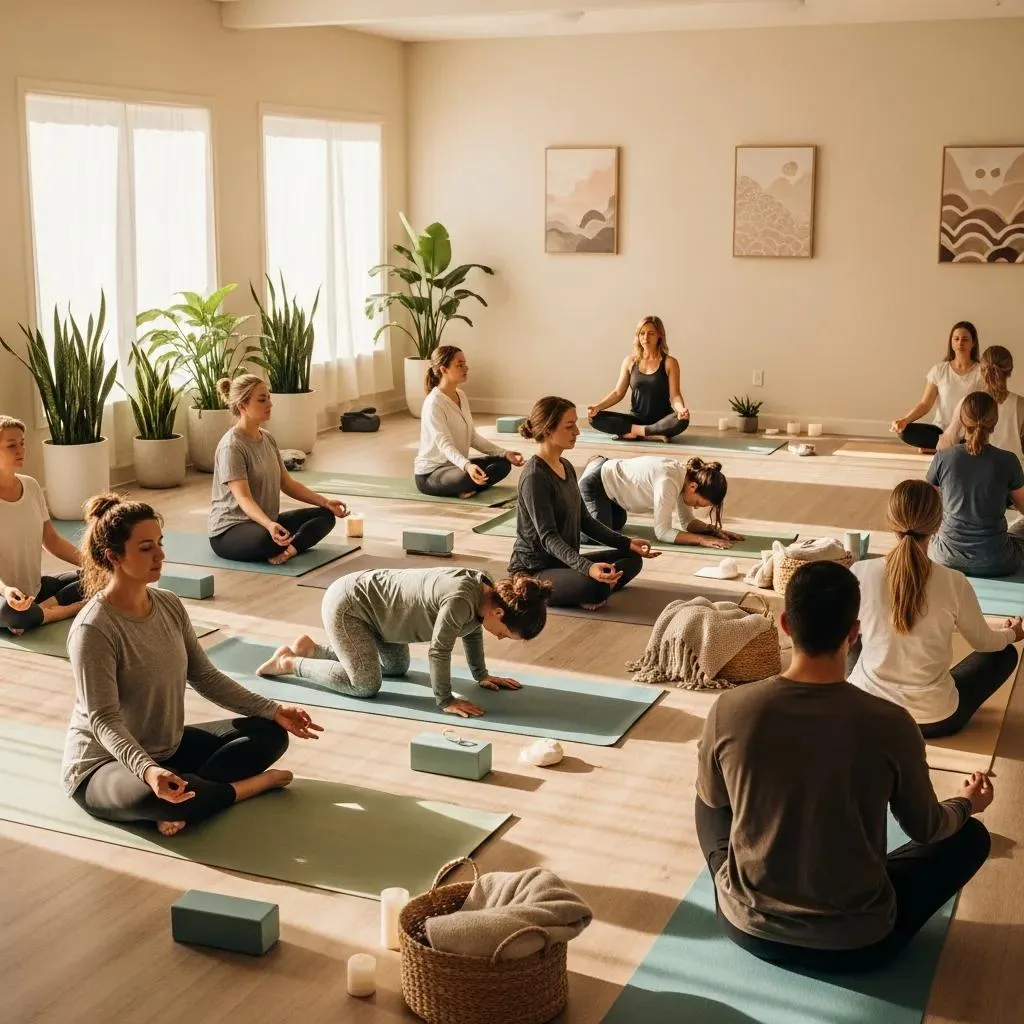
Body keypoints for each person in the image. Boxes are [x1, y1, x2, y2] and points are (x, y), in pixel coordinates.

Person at [696, 560, 993, 972]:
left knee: (707, 799)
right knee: (970, 836)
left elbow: (716, 801)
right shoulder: (892, 723)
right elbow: (926, 828)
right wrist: (966, 803)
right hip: (859, 944)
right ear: (854, 633)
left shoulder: (730, 708)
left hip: (748, 927)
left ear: (785, 624)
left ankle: (740, 886)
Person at [64, 494, 323, 837]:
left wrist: (273, 710)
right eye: (146, 548)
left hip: (168, 749)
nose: (160, 555)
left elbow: (205, 676)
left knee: (270, 733)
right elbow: (103, 719)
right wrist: (148, 771)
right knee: (159, 798)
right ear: (114, 557)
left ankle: (189, 792)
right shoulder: (94, 629)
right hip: (104, 764)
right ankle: (249, 787)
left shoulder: (169, 605)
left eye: (160, 543)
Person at [255, 569, 552, 719]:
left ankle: (313, 649)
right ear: (499, 613)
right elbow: (439, 650)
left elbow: (471, 629)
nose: (499, 637)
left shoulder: (486, 596)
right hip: (349, 606)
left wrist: (481, 674)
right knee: (364, 685)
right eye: (504, 634)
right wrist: (446, 700)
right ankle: (289, 662)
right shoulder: (461, 598)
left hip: (380, 615)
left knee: (397, 666)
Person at [849, 479, 1021, 738]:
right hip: (935, 720)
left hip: (866, 714)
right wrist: (1012, 634)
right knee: (1004, 653)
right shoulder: (954, 582)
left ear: (890, 520)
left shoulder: (860, 572)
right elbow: (985, 643)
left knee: (852, 636)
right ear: (939, 522)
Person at [509, 396, 657, 610]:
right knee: (595, 587)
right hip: (535, 570)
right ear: (549, 430)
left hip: (564, 563)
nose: (577, 432)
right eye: (570, 426)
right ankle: (592, 588)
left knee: (632, 558)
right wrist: (587, 568)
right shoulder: (535, 477)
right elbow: (548, 538)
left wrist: (626, 543)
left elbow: (585, 520)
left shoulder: (566, 466)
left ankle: (591, 586)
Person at [208, 375, 347, 565]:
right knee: (268, 539)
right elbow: (244, 498)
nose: (270, 404)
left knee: (325, 516)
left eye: (269, 398)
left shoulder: (267, 438)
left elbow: (287, 484)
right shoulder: (232, 446)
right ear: (242, 406)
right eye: (262, 400)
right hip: (230, 530)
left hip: (265, 523)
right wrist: (269, 524)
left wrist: (326, 502)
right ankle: (285, 543)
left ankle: (290, 550)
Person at [0, 414, 84, 634]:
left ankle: (39, 611)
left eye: (22, 443)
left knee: (99, 577)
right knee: (10, 612)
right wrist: (6, 590)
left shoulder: (31, 486)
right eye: (11, 445)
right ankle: (64, 611)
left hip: (33, 590)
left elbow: (51, 540)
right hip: (4, 596)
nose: (20, 450)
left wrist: (91, 562)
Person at [927, 391, 1024, 577]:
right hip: (998, 560)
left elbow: (926, 508)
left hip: (946, 558)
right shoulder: (1009, 461)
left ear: (962, 421)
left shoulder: (943, 458)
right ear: (994, 423)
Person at [414, 345, 524, 498]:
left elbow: (472, 437)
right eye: (459, 365)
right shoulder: (434, 403)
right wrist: (467, 466)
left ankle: (465, 487)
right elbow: (445, 445)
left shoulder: (461, 395)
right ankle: (463, 486)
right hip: (431, 474)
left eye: (465, 364)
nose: (466, 368)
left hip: (456, 466)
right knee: (466, 477)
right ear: (443, 370)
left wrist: (505, 453)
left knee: (503, 464)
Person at [578, 454, 745, 548]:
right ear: (693, 487)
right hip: (596, 482)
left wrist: (712, 530)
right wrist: (702, 540)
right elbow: (663, 532)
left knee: (617, 523)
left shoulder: (686, 479)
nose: (695, 507)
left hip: (613, 492)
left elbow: (687, 522)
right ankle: (567, 521)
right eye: (699, 503)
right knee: (598, 537)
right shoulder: (668, 480)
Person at [586, 316, 690, 440]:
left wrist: (681, 410)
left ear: (660, 335)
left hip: (662, 420)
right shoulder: (629, 362)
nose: (645, 337)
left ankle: (636, 432)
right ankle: (651, 434)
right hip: (636, 419)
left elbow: (675, 395)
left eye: (651, 333)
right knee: (594, 418)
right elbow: (618, 393)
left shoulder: (670, 362)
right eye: (642, 333)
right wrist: (598, 407)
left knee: (682, 420)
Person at [890, 321, 982, 452]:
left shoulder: (981, 372)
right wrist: (905, 420)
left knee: (976, 439)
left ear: (973, 343)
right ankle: (949, 448)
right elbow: (925, 404)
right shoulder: (939, 370)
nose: (960, 343)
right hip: (940, 431)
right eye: (956, 339)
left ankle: (941, 448)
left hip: (967, 433)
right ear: (951, 342)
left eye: (965, 339)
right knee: (904, 432)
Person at [937, 346, 1024, 462]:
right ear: (1010, 371)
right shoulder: (1021, 404)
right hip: (1013, 472)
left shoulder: (968, 402)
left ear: (981, 370)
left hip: (974, 471)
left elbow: (946, 444)